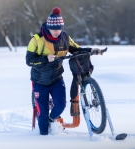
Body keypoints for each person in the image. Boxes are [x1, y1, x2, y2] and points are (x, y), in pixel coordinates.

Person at [26, 7, 102, 135]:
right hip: (40, 81)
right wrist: (45, 58)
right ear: (48, 27)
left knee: (61, 105)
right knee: (43, 128)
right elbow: (29, 60)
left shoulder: (65, 38)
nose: (57, 32)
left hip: (56, 78)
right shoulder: (37, 39)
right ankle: (43, 136)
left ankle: (52, 119)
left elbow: (76, 49)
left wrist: (91, 50)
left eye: (59, 28)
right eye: (54, 29)